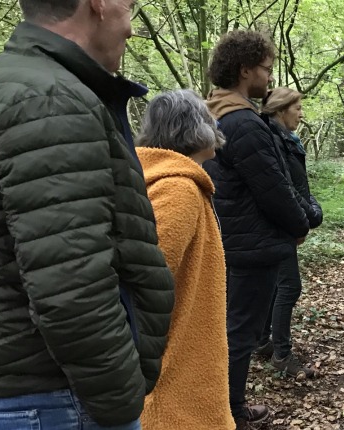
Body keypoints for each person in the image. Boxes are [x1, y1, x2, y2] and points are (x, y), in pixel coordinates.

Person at [0, 0, 175, 428]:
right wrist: (118, 402)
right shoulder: (50, 99)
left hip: (39, 391)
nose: (132, 24)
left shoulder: (25, 82)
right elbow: (70, 282)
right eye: (130, 4)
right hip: (57, 399)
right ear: (99, 4)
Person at [203, 30, 310, 427]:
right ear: (245, 69)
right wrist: (300, 224)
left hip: (232, 239)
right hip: (251, 246)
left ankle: (226, 406)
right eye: (265, 68)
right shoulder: (244, 122)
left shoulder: (213, 111)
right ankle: (230, 413)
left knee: (234, 330)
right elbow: (273, 188)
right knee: (240, 334)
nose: (269, 77)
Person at [135, 90, 233, 429]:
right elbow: (147, 278)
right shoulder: (177, 188)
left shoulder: (172, 179)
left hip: (178, 349)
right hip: (177, 359)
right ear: (196, 129)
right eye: (209, 119)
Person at [255, 88, 324, 378]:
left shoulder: (286, 139)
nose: (301, 113)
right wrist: (306, 216)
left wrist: (308, 210)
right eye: (297, 107)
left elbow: (298, 186)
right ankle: (281, 355)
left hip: (287, 221)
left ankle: (263, 342)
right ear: (282, 109)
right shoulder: (273, 140)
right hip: (278, 225)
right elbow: (284, 188)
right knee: (288, 287)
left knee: (274, 285)